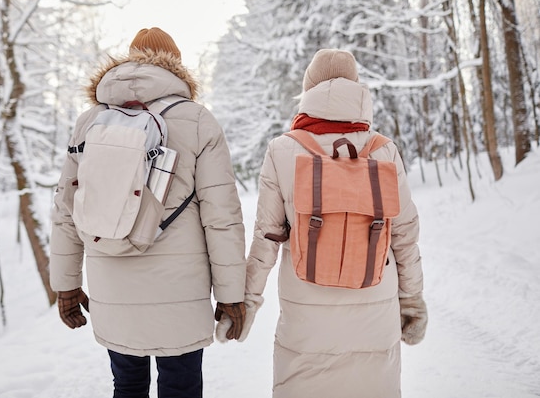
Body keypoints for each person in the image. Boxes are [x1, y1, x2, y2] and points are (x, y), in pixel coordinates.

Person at [216, 49, 427, 397]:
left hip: (305, 313)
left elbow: (266, 238)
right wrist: (413, 299)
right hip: (374, 308)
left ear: (308, 89)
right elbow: (404, 235)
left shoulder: (283, 150)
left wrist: (246, 302)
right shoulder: (383, 150)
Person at [49, 27, 247, 398]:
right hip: (179, 290)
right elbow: (221, 217)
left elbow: (65, 208)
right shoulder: (197, 119)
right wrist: (232, 292)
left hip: (112, 282)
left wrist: (66, 284)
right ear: (176, 68)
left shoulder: (91, 122)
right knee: (181, 387)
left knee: (126, 385)